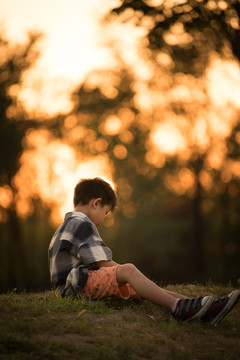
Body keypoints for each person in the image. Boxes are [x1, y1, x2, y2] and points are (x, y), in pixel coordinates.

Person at [48, 177, 240, 325]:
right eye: (105, 213)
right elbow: (104, 264)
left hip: (75, 287)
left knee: (145, 288)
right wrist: (129, 274)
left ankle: (202, 308)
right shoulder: (82, 224)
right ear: (96, 203)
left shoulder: (65, 226)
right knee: (130, 271)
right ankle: (179, 308)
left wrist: (134, 280)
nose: (102, 220)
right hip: (76, 288)